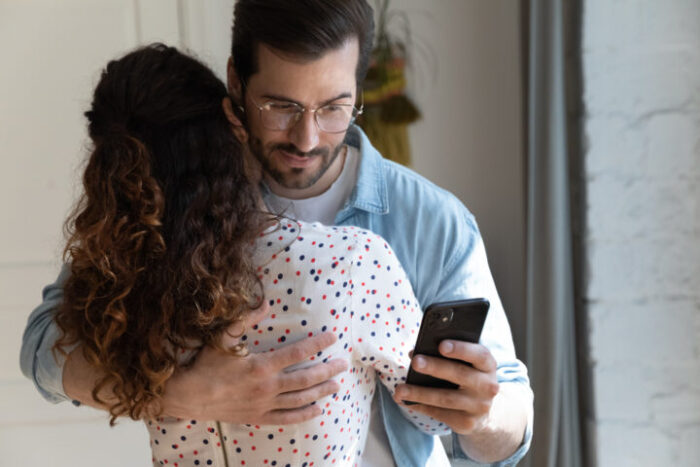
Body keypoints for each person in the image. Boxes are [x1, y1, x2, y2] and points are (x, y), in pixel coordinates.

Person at [21, 1, 533, 465]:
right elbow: (43, 348)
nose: (307, 138)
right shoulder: (172, 204)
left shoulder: (433, 220)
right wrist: (181, 392)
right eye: (281, 106)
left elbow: (510, 431)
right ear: (236, 85)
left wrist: (482, 414)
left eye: (334, 108)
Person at [53, 43, 447, 466]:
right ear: (232, 125)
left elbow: (42, 358)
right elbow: (435, 414)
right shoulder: (351, 261)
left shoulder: (119, 285)